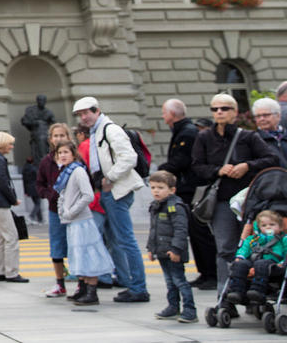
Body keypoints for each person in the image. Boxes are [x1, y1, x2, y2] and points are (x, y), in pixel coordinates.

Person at [191, 93, 278, 292]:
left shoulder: (248, 136)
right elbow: (196, 167)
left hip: (248, 201)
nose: (219, 112)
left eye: (224, 108)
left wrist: (247, 165)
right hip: (221, 201)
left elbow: (271, 159)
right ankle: (225, 293)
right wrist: (217, 170)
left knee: (252, 246)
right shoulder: (204, 137)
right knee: (225, 248)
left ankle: (251, 290)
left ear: (235, 112)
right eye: (215, 109)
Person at [74, 96, 150, 303]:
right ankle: (133, 284)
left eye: (86, 113)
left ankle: (139, 287)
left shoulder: (110, 129)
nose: (84, 117)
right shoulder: (98, 130)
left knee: (126, 240)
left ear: (96, 110)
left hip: (117, 190)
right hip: (109, 191)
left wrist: (110, 178)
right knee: (119, 239)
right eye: (80, 115)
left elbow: (129, 157)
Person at [156, 98, 217, 290]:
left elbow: (182, 161)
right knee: (193, 232)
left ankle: (211, 274)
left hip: (192, 190)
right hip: (186, 189)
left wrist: (162, 170)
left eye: (164, 113)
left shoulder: (188, 133)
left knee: (199, 232)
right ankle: (204, 272)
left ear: (172, 114)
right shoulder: (183, 131)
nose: (163, 117)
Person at [55, 142, 113, 307]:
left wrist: (72, 211)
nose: (62, 155)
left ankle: (91, 290)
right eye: (60, 153)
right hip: (72, 221)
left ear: (73, 154)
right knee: (78, 254)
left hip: (82, 220)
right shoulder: (66, 172)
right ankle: (83, 288)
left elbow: (88, 196)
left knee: (88, 254)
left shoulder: (78, 171)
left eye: (66, 152)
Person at [145, 171, 196, 323]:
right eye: (153, 187)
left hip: (173, 251)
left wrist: (176, 249)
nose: (156, 191)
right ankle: (173, 307)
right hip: (161, 251)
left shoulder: (176, 206)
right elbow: (153, 230)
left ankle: (190, 310)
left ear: (172, 190)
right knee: (169, 281)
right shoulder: (156, 205)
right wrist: (151, 249)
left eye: (160, 187)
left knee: (179, 281)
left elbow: (181, 230)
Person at [0, 131, 27, 283]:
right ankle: (12, 272)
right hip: (1, 202)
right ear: (2, 144)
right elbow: (4, 182)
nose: (12, 147)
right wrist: (13, 199)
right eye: (10, 143)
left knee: (0, 238)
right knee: (11, 237)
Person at [38, 123, 73, 297]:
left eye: (62, 135)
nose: (59, 139)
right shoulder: (46, 161)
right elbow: (39, 184)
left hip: (75, 211)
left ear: (68, 137)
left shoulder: (75, 160)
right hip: (55, 210)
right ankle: (60, 283)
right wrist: (49, 194)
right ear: (50, 139)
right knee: (57, 246)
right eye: (55, 136)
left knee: (76, 245)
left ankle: (82, 282)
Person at [227, 210, 287, 305]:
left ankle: (257, 290)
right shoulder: (253, 239)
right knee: (240, 264)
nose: (268, 227)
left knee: (261, 263)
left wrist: (283, 262)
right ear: (259, 227)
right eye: (264, 225)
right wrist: (240, 256)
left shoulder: (283, 239)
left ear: (280, 227)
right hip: (254, 261)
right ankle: (236, 291)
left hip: (274, 264)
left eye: (272, 224)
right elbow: (245, 248)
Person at [22, 95, 56, 163]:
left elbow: (53, 123)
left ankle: (46, 159)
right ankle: (42, 160)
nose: (41, 102)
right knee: (41, 140)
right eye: (40, 100)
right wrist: (34, 123)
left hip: (45, 132)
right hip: (36, 133)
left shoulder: (48, 112)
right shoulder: (31, 110)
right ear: (37, 101)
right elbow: (25, 121)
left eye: (43, 100)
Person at [254, 97, 287, 166]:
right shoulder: (254, 140)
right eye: (258, 116)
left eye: (266, 115)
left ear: (278, 116)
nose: (261, 119)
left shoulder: (284, 135)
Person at [22, 156, 42, 223]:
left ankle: (40, 219)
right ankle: (32, 216)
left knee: (36, 203)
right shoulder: (34, 169)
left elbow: (24, 181)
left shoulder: (24, 169)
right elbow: (38, 179)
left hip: (29, 189)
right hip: (35, 188)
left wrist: (25, 191)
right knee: (38, 203)